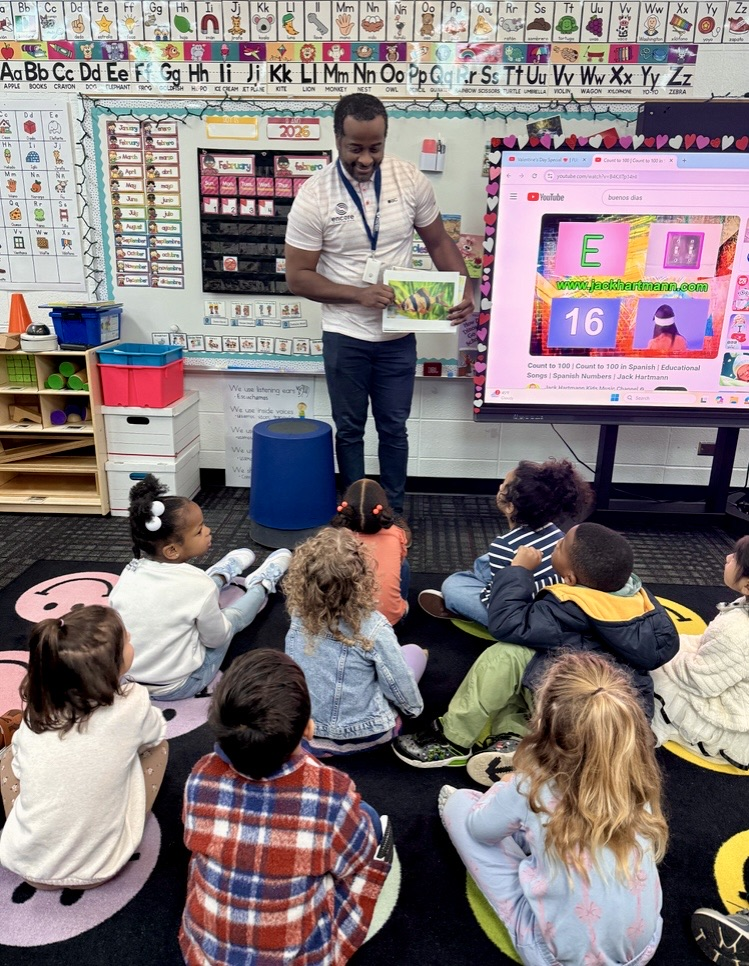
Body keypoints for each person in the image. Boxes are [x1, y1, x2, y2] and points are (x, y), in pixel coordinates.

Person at [284, 93, 475, 527]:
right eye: (355, 148)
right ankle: (356, 517)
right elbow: (298, 277)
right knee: (350, 430)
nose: (366, 159)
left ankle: (393, 516)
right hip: (345, 334)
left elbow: (439, 242)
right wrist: (358, 294)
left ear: (385, 138)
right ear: (337, 138)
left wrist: (463, 285)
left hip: (397, 336)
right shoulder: (314, 196)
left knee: (394, 428)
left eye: (375, 147)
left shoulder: (409, 179)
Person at [393, 522, 679, 781]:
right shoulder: (641, 599)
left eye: (560, 545)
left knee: (507, 656)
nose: (556, 543)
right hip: (618, 725)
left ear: (569, 577)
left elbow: (507, 623)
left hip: (571, 715)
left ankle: (452, 739)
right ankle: (515, 741)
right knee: (538, 663)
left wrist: (519, 570)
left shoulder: (569, 604)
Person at [439, 652, 668, 966]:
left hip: (553, 958)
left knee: (460, 805)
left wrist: (509, 784)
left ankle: (523, 843)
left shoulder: (531, 785)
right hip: (643, 948)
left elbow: (480, 831)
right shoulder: (639, 780)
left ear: (544, 726)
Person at [180, 649, 393, 966]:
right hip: (296, 957)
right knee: (372, 819)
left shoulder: (201, 775)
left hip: (209, 953)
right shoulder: (332, 795)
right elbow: (354, 862)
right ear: (308, 729)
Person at [0, 605, 168, 890]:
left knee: (10, 757)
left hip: (29, 865)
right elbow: (155, 734)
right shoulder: (134, 702)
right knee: (159, 748)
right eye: (127, 640)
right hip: (101, 867)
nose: (131, 640)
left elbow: (18, 768)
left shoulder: (36, 714)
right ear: (113, 666)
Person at [109, 474, 291, 700]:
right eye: (199, 530)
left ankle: (220, 575)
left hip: (129, 678)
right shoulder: (198, 586)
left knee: (194, 598)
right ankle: (261, 584)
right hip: (180, 685)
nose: (208, 530)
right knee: (230, 619)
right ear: (172, 551)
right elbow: (216, 639)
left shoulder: (129, 572)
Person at [284, 527, 426, 756]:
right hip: (363, 732)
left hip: (307, 726)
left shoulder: (298, 616)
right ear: (361, 580)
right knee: (414, 652)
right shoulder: (373, 626)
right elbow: (398, 684)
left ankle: (319, 745)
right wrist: (414, 710)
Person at [418, 459, 593, 625]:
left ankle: (467, 612)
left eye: (503, 485)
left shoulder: (503, 545)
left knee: (454, 584)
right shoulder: (557, 533)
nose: (499, 487)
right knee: (485, 561)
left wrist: (492, 589)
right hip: (551, 601)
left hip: (522, 616)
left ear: (510, 507)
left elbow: (500, 601)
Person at [650, 535, 749, 770]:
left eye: (736, 558)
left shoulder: (737, 628)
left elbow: (700, 681)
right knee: (674, 645)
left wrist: (660, 657)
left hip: (735, 722)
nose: (728, 557)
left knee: (650, 676)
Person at [330, 477, 409, 625]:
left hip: (344, 626)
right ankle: (400, 604)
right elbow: (400, 559)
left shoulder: (336, 538)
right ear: (383, 508)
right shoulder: (396, 533)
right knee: (404, 565)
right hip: (389, 624)